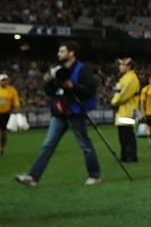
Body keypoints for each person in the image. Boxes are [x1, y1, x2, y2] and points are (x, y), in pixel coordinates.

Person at [14, 41, 102, 187]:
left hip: (75, 112)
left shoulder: (82, 69)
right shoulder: (58, 70)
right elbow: (49, 92)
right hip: (60, 113)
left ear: (71, 53)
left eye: (62, 51)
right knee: (48, 145)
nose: (58, 54)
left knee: (85, 145)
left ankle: (95, 175)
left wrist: (73, 86)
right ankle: (32, 177)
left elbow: (90, 90)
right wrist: (48, 82)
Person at [110, 58, 141, 164]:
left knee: (127, 134)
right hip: (123, 111)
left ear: (129, 67)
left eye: (123, 65)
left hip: (128, 111)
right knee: (123, 135)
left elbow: (123, 95)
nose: (120, 67)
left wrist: (114, 102)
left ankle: (131, 156)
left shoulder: (131, 78)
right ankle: (125, 156)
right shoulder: (125, 78)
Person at [0, 73, 20, 157]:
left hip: (6, 113)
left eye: (6, 80)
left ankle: (2, 148)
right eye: (3, 80)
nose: (4, 82)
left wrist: (16, 108)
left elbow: (16, 101)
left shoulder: (12, 90)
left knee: (4, 133)